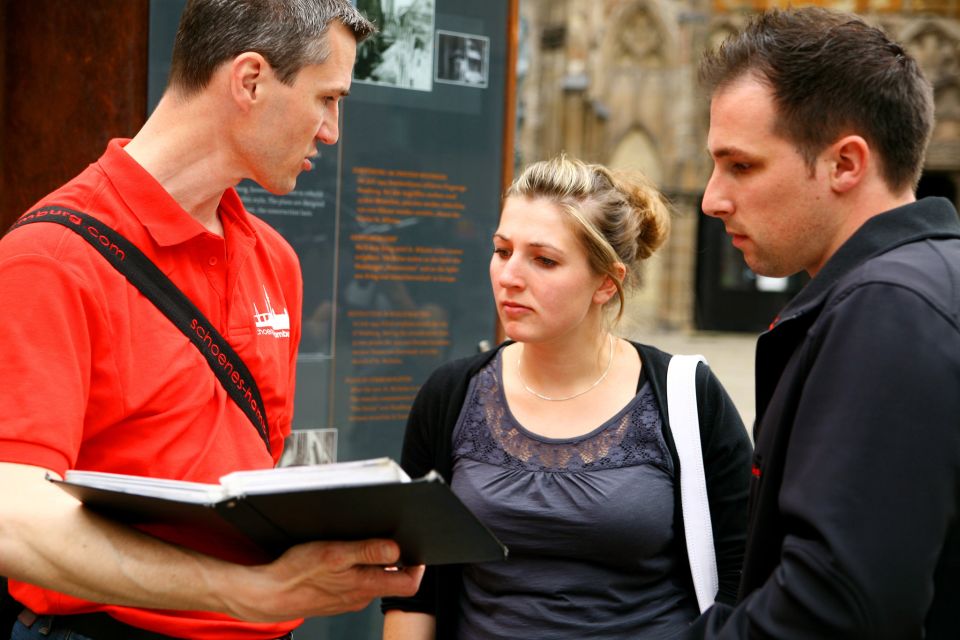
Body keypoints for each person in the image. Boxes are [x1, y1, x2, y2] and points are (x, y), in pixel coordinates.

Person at [0, 1, 423, 639]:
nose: (333, 130)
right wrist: (241, 590)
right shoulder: (51, 258)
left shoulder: (275, 260)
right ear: (249, 80)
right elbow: (12, 516)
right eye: (327, 98)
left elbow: (249, 472)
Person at [381, 155, 753, 639]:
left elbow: (744, 574)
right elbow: (414, 589)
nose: (510, 276)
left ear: (606, 281)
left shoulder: (686, 396)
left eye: (544, 260)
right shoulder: (452, 395)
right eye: (501, 250)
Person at [690, 7, 960, 638]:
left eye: (742, 165)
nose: (710, 198)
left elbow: (837, 607)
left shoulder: (889, 307)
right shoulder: (920, 284)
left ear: (845, 164)